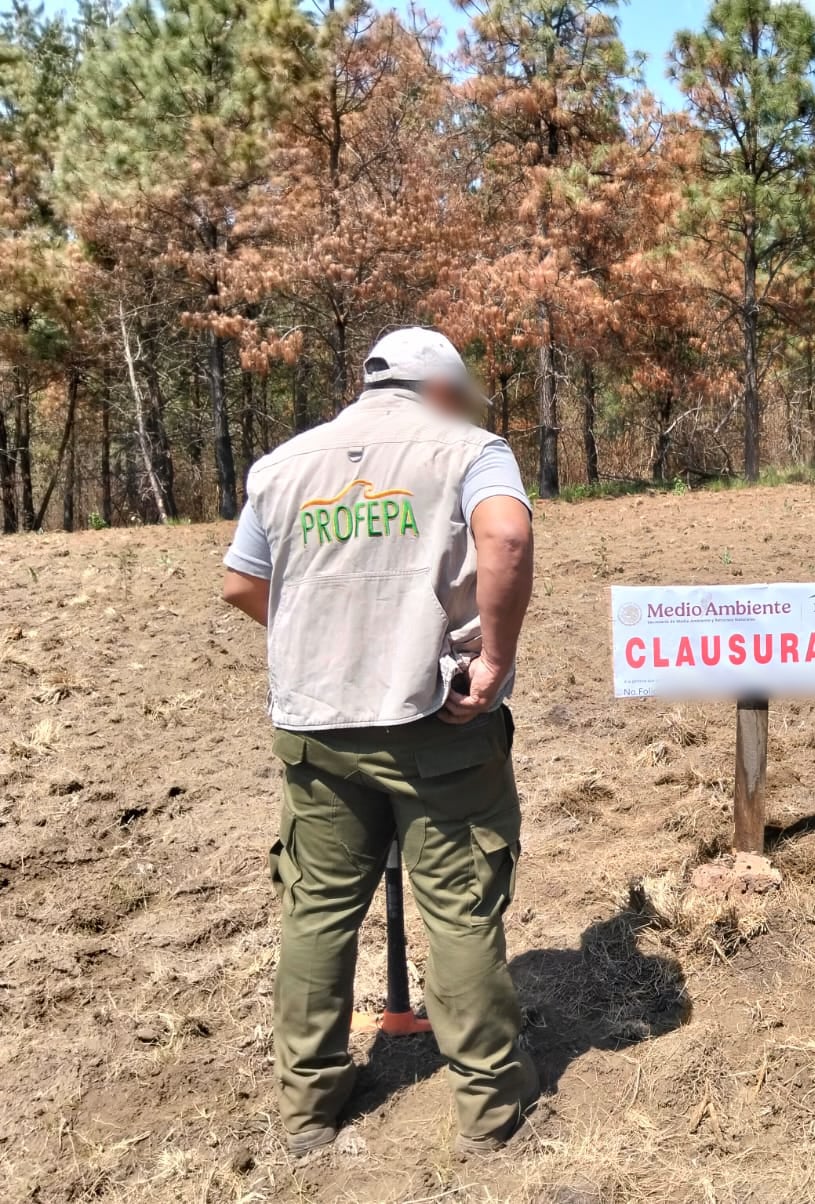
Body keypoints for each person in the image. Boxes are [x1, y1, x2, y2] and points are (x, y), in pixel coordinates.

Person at [221, 328, 537, 1157]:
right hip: (439, 724)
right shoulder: (472, 449)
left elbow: (240, 582)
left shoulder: (283, 465)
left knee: (317, 913)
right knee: (461, 909)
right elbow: (505, 537)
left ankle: (307, 1113)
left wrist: (326, 648)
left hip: (316, 726)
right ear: (442, 391)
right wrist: (494, 660)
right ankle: (488, 1114)